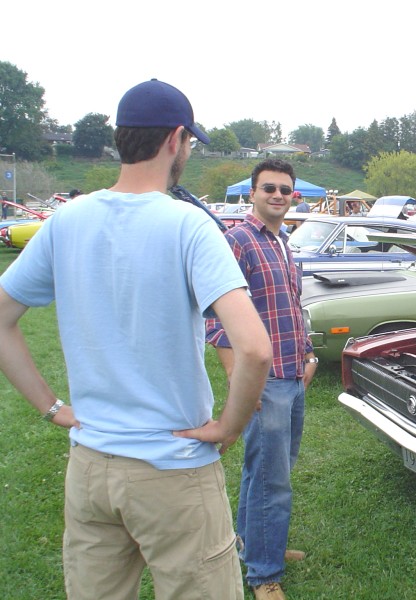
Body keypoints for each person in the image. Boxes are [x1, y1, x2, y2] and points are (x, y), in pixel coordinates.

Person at [0, 79, 272, 600]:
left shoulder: (66, 220)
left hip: (89, 469)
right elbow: (255, 349)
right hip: (174, 469)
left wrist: (51, 407)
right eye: (189, 142)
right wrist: (228, 426)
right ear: (175, 139)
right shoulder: (189, 225)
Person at [206, 158, 317, 600]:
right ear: (252, 193)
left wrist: (307, 354)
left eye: (285, 189)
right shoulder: (238, 241)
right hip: (264, 380)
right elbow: (215, 316)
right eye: (268, 188)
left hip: (292, 373)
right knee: (272, 479)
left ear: (293, 196)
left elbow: (288, 304)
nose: (277, 195)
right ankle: (264, 575)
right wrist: (237, 377)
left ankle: (256, 544)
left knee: (266, 470)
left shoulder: (283, 242)